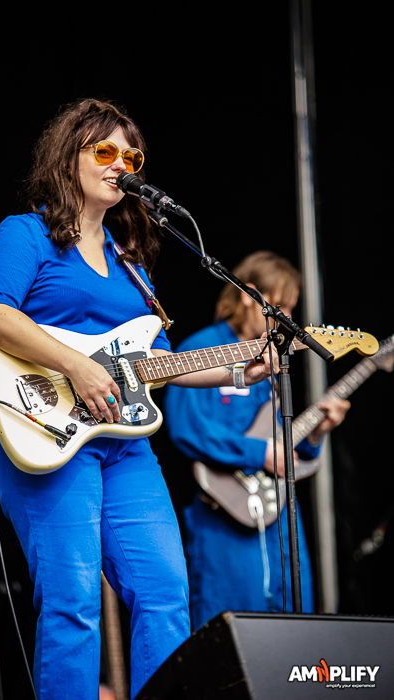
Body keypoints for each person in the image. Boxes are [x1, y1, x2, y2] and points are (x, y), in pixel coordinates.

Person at [0, 100, 279, 700]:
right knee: (73, 601)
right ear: (68, 159)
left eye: (131, 156)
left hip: (124, 445)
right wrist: (76, 365)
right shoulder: (25, 233)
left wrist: (244, 368)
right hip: (48, 434)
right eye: (104, 152)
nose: (121, 165)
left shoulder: (131, 264)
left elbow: (159, 366)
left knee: (165, 590)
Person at [164, 251, 350, 631]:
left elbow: (284, 446)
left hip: (277, 517)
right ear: (249, 295)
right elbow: (186, 426)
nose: (287, 318)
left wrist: (315, 433)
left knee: (295, 633)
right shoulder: (202, 347)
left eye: (291, 309)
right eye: (279, 306)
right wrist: (259, 452)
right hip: (223, 520)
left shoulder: (273, 360)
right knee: (229, 637)